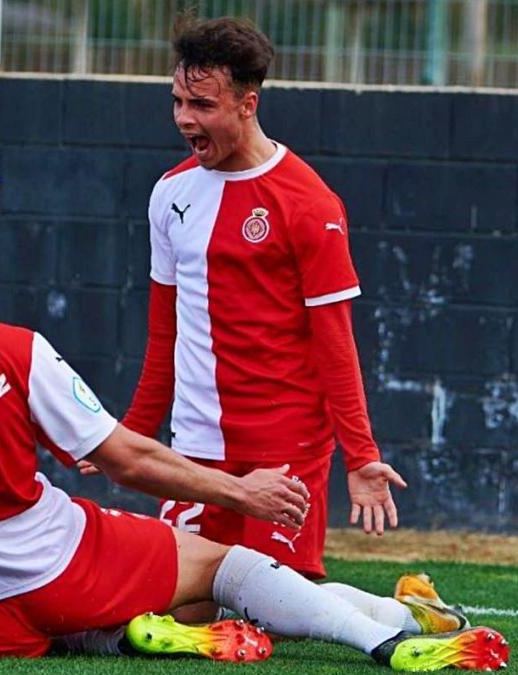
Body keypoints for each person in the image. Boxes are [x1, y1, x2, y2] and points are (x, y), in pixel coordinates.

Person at [0, 151, 506, 671]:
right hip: (56, 561)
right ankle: (389, 636)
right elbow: (128, 460)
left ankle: (144, 632)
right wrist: (241, 493)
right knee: (224, 567)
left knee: (120, 616)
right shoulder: (15, 348)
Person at [112, 17, 404, 596]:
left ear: (248, 104)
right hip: (196, 448)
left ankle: (401, 619)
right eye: (177, 101)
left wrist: (361, 455)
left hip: (285, 447)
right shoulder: (169, 194)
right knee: (179, 604)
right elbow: (163, 331)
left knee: (274, 606)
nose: (184, 119)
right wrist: (134, 435)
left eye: (202, 104)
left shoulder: (309, 203)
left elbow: (336, 343)